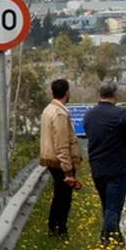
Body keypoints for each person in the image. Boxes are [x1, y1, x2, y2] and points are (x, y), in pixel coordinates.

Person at [83, 81, 126, 245]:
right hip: (117, 168)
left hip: (97, 168)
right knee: (114, 206)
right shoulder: (120, 114)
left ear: (99, 95)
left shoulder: (89, 115)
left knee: (107, 205)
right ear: (115, 95)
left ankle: (111, 237)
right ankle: (110, 240)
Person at [39, 78, 82, 237]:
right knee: (64, 198)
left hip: (50, 158)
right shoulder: (60, 114)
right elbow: (62, 143)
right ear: (67, 92)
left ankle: (53, 226)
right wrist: (68, 169)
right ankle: (59, 227)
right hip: (59, 162)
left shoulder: (48, 110)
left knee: (58, 195)